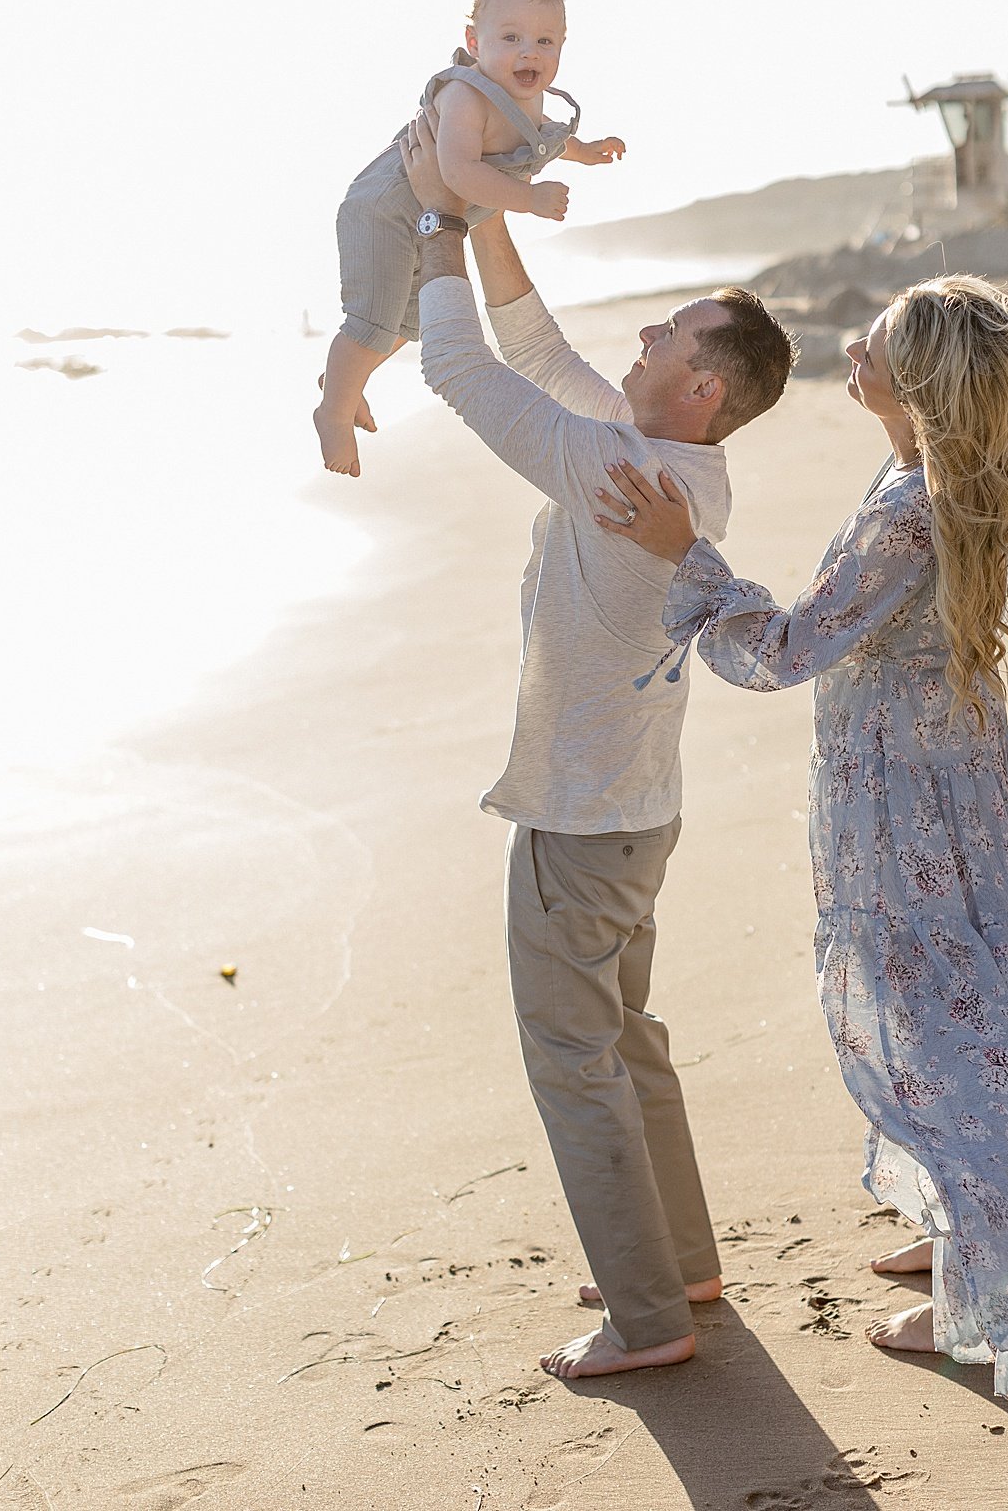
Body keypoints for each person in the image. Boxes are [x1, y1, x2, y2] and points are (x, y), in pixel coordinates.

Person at [596, 278, 1008, 1422]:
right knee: (995, 998)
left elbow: (785, 650)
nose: (847, 348)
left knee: (946, 1032)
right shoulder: (949, 479)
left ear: (915, 384)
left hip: (907, 804)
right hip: (958, 780)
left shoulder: (907, 507)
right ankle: (971, 1242)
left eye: (871, 345)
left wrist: (690, 553)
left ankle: (988, 1295)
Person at [398, 107, 795, 1379]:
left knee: (573, 1061)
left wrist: (428, 214)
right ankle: (676, 1265)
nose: (646, 332)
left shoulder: (619, 479)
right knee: (626, 1042)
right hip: (637, 812)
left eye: (670, 333)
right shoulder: (666, 461)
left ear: (705, 385)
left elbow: (462, 371)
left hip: (580, 825)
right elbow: (530, 340)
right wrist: (486, 208)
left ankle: (646, 1318)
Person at [313, 0, 625, 477]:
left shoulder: (530, 99)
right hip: (384, 214)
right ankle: (333, 412)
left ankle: (343, 380)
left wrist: (584, 151)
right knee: (371, 320)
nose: (529, 51)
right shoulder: (466, 95)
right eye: (511, 37)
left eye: (545, 41)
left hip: (423, 219)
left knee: (408, 323)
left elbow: (544, 133)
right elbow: (456, 172)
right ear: (474, 42)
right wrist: (529, 198)